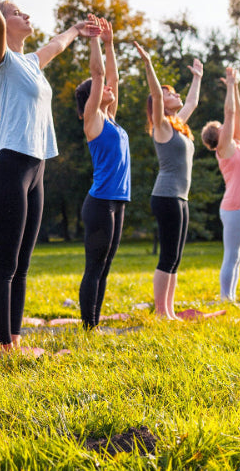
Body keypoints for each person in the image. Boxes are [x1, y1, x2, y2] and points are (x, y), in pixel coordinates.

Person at [0, 0, 100, 350]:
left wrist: (79, 30)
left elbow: (56, 45)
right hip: (10, 168)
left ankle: (14, 339)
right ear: (1, 22)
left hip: (36, 169)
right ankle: (2, 350)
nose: (25, 15)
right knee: (4, 266)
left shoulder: (31, 64)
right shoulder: (2, 60)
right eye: (17, 12)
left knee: (23, 266)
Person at [133, 43, 203, 320]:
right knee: (167, 255)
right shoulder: (161, 127)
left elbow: (192, 103)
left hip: (180, 197)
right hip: (166, 196)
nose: (175, 94)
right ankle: (162, 313)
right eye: (167, 93)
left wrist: (197, 77)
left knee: (175, 256)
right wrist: (149, 64)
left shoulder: (179, 125)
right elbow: (155, 95)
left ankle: (170, 311)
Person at [73, 19, 129, 330]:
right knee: (94, 267)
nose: (108, 88)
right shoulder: (93, 121)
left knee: (105, 267)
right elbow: (99, 76)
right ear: (91, 98)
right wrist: (93, 40)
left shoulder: (113, 120)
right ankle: (88, 327)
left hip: (117, 202)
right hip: (100, 204)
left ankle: (95, 324)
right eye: (101, 89)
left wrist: (109, 43)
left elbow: (113, 78)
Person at [201, 67, 240, 306]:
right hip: (234, 207)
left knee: (238, 257)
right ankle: (226, 299)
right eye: (224, 126)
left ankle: (231, 298)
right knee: (231, 255)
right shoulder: (224, 150)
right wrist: (228, 87)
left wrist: (235, 86)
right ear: (219, 135)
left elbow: (239, 114)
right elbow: (230, 112)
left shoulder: (238, 144)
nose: (229, 126)